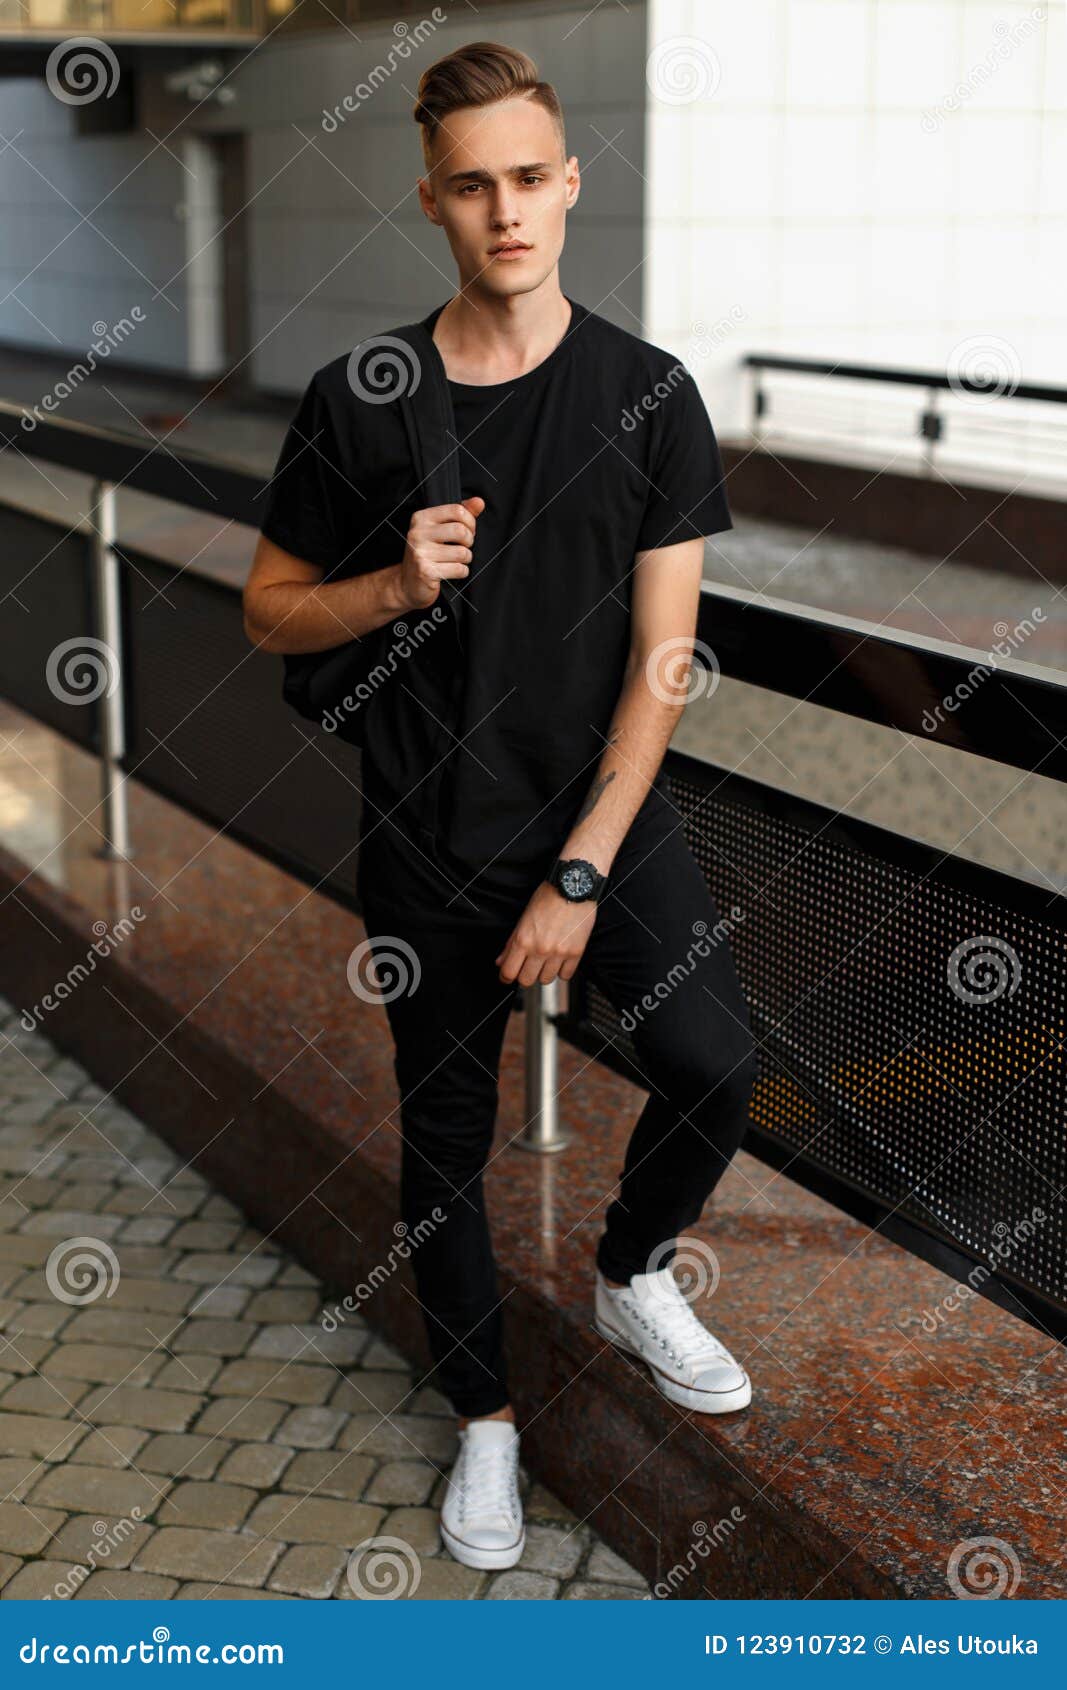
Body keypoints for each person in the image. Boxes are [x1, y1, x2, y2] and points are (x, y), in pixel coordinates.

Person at [243, 40, 757, 1575]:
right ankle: (485, 1424)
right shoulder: (365, 395)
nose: (505, 209)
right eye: (472, 185)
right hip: (426, 829)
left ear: (569, 184)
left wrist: (584, 871)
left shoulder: (648, 395)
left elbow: (664, 665)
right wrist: (394, 583)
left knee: (712, 1061)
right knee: (445, 1147)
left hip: (596, 816)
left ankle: (630, 1268)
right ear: (433, 201)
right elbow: (269, 611)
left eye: (529, 177)